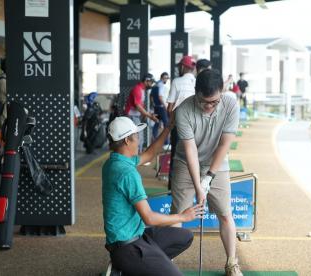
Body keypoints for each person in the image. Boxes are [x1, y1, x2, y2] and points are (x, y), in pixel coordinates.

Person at [102, 116, 204, 275]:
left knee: (185, 236)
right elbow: (149, 218)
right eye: (136, 136)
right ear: (128, 141)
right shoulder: (127, 172)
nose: (139, 139)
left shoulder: (114, 162)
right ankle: (134, 268)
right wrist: (183, 217)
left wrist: (168, 128)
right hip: (127, 248)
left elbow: (149, 154)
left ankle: (147, 266)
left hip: (137, 236)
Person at [171, 69, 242, 276]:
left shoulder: (230, 104)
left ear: (221, 92)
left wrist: (209, 177)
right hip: (186, 162)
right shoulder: (183, 110)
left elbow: (224, 144)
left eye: (214, 102)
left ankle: (231, 263)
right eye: (204, 102)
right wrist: (198, 186)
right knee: (178, 214)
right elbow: (190, 150)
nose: (209, 106)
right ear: (196, 93)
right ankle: (165, 262)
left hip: (217, 162)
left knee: (225, 213)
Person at [166, 55, 196, 189]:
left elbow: (170, 108)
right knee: (193, 153)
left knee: (175, 154)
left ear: (183, 67)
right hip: (195, 125)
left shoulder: (176, 82)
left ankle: (172, 186)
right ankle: (192, 184)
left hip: (178, 124)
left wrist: (171, 123)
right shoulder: (196, 82)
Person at [124, 73, 159, 153]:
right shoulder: (137, 89)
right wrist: (149, 116)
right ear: (146, 81)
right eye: (151, 82)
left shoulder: (142, 89)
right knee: (137, 137)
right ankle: (136, 156)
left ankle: (137, 155)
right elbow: (138, 106)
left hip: (135, 116)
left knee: (139, 137)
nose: (152, 84)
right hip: (131, 116)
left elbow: (140, 106)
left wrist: (147, 114)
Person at [150, 72, 170, 143]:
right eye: (165, 78)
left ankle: (154, 140)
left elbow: (151, 97)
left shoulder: (155, 85)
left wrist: (154, 105)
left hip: (156, 107)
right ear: (161, 78)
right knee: (166, 124)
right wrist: (165, 107)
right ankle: (166, 142)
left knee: (157, 123)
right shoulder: (161, 85)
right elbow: (160, 97)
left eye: (167, 78)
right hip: (161, 107)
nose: (166, 80)